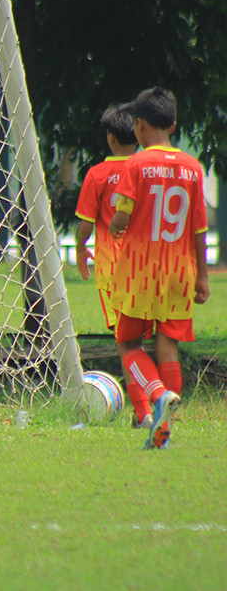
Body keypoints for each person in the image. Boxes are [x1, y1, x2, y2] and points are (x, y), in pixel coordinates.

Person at [109, 86, 210, 450]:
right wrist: (201, 275)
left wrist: (116, 225)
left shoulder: (135, 164)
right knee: (168, 345)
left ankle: (156, 394)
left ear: (138, 126)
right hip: (180, 272)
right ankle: (165, 426)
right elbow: (199, 227)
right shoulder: (193, 168)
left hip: (140, 271)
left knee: (127, 343)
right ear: (174, 125)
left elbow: (122, 215)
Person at [74, 103, 152, 427]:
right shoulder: (148, 170)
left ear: (110, 138)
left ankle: (144, 410)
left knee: (126, 343)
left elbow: (86, 223)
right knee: (146, 339)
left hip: (112, 270)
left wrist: (79, 248)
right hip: (149, 265)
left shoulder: (97, 174)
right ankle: (152, 401)